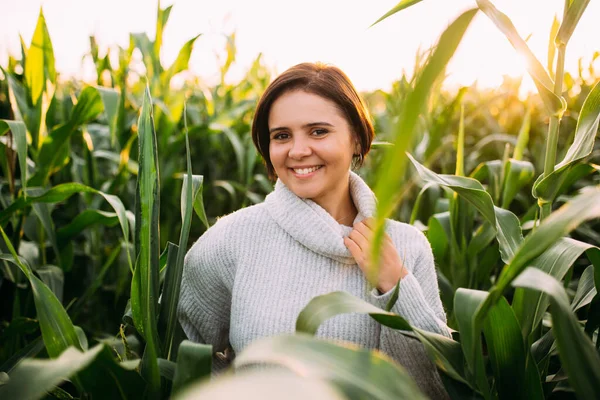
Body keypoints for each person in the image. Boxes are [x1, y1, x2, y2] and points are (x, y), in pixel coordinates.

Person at [178, 62, 451, 399]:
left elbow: (436, 387)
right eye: (281, 136)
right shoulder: (231, 240)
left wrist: (396, 287)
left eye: (318, 131)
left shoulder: (408, 247)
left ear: (356, 138)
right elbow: (188, 360)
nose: (297, 150)